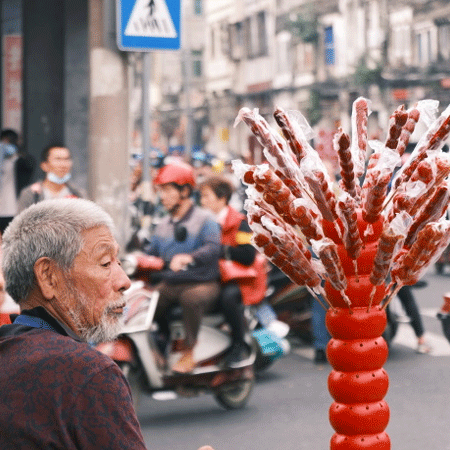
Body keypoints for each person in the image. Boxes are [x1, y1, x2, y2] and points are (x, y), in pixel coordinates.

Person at [0, 198, 146, 449]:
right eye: (105, 263)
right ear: (48, 276)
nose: (123, 281)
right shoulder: (88, 372)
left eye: (118, 262)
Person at [143, 162, 222, 373]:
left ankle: (190, 351)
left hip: (202, 282)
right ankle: (158, 348)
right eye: (161, 191)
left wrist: (189, 257)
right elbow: (151, 252)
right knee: (145, 303)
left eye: (168, 190)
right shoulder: (162, 225)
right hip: (170, 283)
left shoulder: (206, 219)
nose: (163, 196)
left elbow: (214, 248)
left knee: (191, 299)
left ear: (185, 191)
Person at [199, 175, 266, 365]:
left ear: (221, 198)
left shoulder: (240, 222)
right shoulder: (201, 223)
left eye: (206, 197)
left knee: (228, 298)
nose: (202, 201)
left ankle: (240, 344)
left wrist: (221, 251)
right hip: (210, 277)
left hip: (237, 280)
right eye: (201, 197)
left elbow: (247, 255)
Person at [17, 143, 84, 212]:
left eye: (66, 159)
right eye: (58, 159)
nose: (63, 165)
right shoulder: (31, 194)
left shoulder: (78, 193)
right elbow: (21, 221)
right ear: (44, 165)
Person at [0, 129, 34, 233]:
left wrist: (18, 152)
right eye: (3, 142)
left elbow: (29, 166)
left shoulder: (21, 161)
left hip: (14, 208)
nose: (5, 145)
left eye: (8, 142)